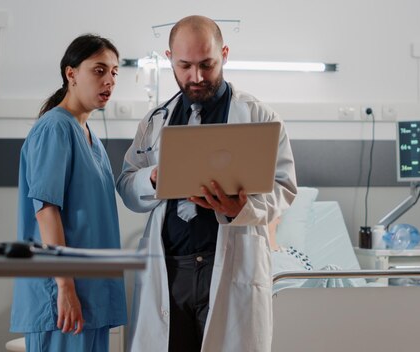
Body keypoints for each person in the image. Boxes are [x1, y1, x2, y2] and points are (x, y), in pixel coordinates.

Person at [116, 15, 297, 352]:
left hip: (228, 264)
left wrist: (242, 208)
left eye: (207, 64)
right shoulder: (155, 122)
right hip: (171, 271)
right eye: (185, 66)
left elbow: (284, 188)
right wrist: (154, 177)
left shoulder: (260, 117)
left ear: (224, 54)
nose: (196, 77)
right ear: (169, 58)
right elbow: (127, 185)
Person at [10, 34, 126, 352]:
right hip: (64, 296)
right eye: (99, 70)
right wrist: (64, 285)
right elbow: (46, 209)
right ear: (70, 73)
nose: (109, 80)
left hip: (91, 294)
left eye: (115, 72)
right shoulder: (55, 128)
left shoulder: (90, 137)